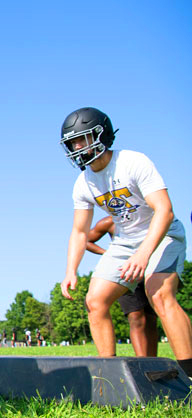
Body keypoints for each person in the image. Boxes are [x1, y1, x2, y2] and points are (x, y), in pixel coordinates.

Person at [58, 107, 191, 375]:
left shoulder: (133, 162)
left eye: (82, 139)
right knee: (95, 301)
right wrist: (70, 270)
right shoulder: (83, 183)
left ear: (101, 135)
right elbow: (80, 231)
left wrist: (144, 254)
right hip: (125, 241)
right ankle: (110, 379)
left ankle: (190, 374)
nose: (77, 147)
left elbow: (165, 210)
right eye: (72, 142)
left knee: (160, 294)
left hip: (162, 232)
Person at [87, 216, 159, 357]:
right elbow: (85, 240)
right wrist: (107, 254)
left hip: (150, 267)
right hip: (125, 270)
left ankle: (152, 363)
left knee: (151, 318)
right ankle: (142, 362)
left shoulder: (150, 216)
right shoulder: (109, 222)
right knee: (137, 316)